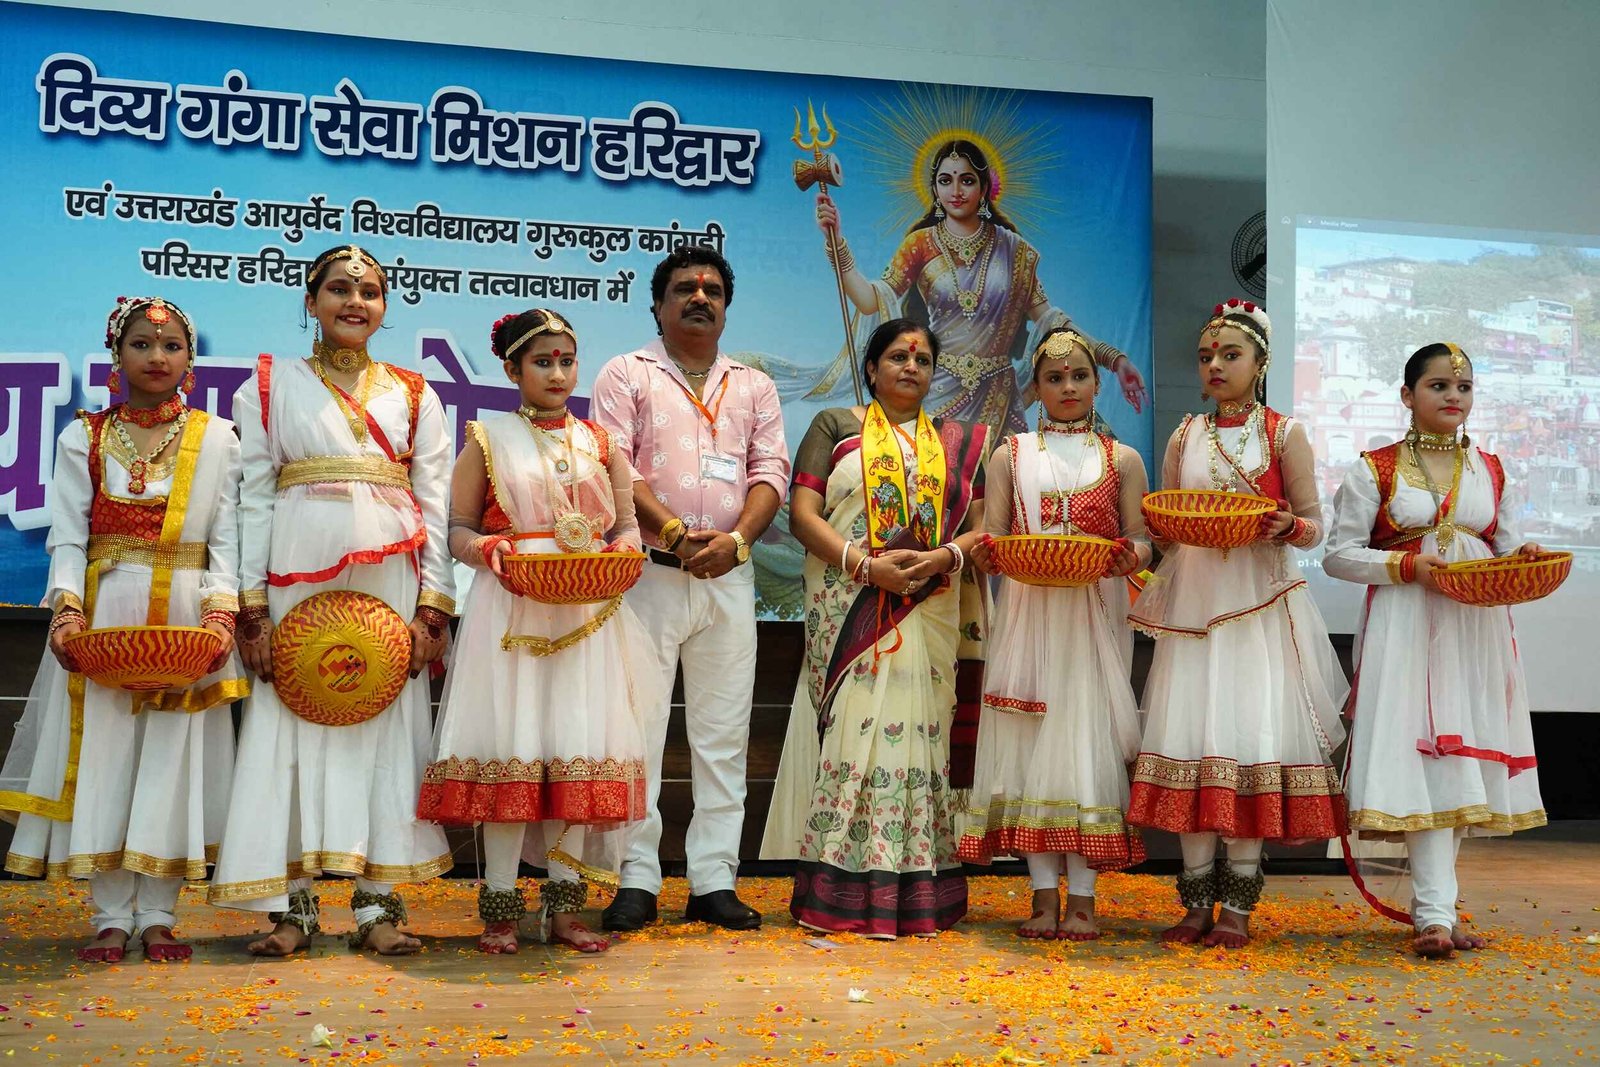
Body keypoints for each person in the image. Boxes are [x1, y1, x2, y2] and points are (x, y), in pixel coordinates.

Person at [208, 244, 456, 956]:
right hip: (294, 580)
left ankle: (378, 909)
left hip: (391, 588)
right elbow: (248, 497)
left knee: (385, 732)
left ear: (384, 307)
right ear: (309, 300)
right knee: (289, 731)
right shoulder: (266, 385)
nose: (356, 301)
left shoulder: (416, 392)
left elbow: (434, 506)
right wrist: (249, 608)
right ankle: (296, 912)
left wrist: (432, 609)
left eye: (371, 291)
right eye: (340, 288)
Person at [0, 296, 245, 963]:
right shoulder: (82, 435)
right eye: (141, 344)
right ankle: (110, 914)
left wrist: (222, 612)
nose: (157, 357)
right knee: (105, 759)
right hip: (107, 617)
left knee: (172, 761)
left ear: (191, 360)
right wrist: (69, 609)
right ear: (117, 356)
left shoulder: (218, 438)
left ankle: (161, 914)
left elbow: (227, 538)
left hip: (187, 622)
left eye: (171, 347)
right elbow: (69, 536)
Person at [418, 308, 655, 955]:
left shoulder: (602, 444)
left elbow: (628, 529)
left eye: (566, 360)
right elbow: (458, 528)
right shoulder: (488, 439)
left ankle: (566, 911)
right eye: (542, 361)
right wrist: (491, 554)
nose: (557, 372)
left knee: (574, 754)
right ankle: (498, 909)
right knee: (512, 754)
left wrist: (618, 554)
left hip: (586, 616)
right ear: (512, 370)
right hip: (513, 611)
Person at [1126, 300, 1348, 948]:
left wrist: (1287, 526)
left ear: (1261, 363)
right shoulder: (1185, 434)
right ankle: (1195, 901)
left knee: (1247, 742)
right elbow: (1162, 525)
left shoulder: (1284, 433)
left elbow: (1312, 521)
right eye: (1206, 356)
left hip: (1256, 610)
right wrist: (1142, 546)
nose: (1216, 365)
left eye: (1230, 355)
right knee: (1191, 742)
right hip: (1195, 609)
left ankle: (1238, 909)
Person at [765, 318, 988, 938]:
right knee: (854, 736)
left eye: (921, 358)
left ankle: (920, 894)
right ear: (871, 369)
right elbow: (802, 513)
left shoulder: (956, 442)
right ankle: (837, 890)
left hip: (928, 605)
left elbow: (983, 522)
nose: (909, 366)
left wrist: (943, 559)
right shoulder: (835, 426)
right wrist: (865, 567)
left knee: (920, 736)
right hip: (852, 606)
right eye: (896, 355)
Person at [589, 246, 790, 932]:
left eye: (712, 289)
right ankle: (636, 879)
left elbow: (771, 475)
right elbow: (613, 465)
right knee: (637, 735)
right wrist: (675, 535)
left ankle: (712, 880)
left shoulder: (754, 385)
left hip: (730, 578)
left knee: (722, 738)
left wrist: (735, 543)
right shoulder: (628, 373)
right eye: (684, 288)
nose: (699, 297)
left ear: (726, 306)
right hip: (648, 574)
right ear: (658, 305)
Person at [1323, 343, 1546, 959]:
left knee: (1458, 758)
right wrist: (1406, 565)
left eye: (1464, 387)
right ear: (1407, 396)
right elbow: (1338, 556)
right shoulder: (1375, 468)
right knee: (1418, 755)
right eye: (1439, 385)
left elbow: (1507, 541)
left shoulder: (1490, 468)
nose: (1453, 396)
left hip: (1473, 628)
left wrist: (1522, 556)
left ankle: (1437, 914)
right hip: (1406, 622)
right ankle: (1433, 915)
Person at [957, 328, 1149, 941]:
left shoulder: (1122, 459)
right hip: (1029, 615)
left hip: (1093, 616)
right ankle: (1042, 896)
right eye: (1054, 378)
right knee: (1028, 740)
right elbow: (993, 536)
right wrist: (991, 555)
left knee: (1085, 738)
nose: (1068, 387)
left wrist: (1129, 556)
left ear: (1096, 384)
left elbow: (1144, 541)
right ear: (1035, 388)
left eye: (1079, 376)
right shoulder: (1012, 454)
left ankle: (1086, 899)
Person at [813, 137, 1147, 440]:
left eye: (967, 180)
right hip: (938, 393)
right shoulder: (920, 244)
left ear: (984, 187)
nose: (956, 190)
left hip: (998, 397)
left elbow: (1051, 321)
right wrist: (837, 242)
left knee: (999, 496)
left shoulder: (1014, 250)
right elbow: (873, 300)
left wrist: (1113, 359)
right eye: (946, 180)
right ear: (934, 188)